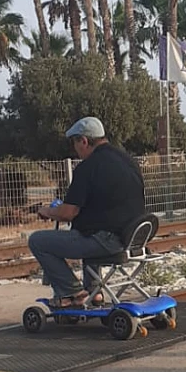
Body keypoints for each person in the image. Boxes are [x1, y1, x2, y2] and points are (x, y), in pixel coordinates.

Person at [28, 117, 147, 307]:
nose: (75, 149)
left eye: (74, 143)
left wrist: (47, 211)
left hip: (106, 241)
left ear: (83, 141)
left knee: (38, 241)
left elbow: (68, 212)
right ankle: (94, 292)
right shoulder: (128, 160)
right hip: (131, 238)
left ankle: (71, 292)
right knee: (86, 230)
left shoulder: (88, 167)